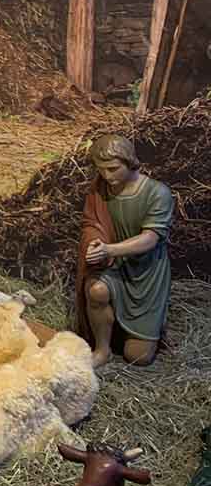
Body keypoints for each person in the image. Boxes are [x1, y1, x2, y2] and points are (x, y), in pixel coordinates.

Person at [75, 134, 173, 368]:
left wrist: (109, 249)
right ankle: (102, 349)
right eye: (101, 170)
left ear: (130, 162)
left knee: (138, 356)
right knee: (97, 290)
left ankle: (138, 332)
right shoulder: (100, 190)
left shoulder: (157, 193)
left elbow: (150, 238)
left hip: (146, 273)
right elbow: (92, 223)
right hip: (114, 265)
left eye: (113, 169)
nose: (107, 176)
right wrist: (95, 242)